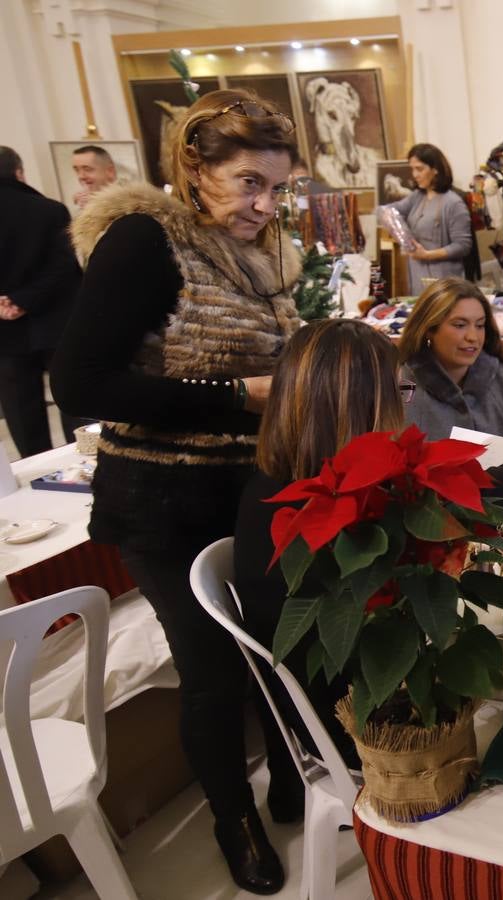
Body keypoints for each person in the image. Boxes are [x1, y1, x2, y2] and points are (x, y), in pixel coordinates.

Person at [51, 89, 304, 895]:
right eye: (249, 185)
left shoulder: (260, 254)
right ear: (195, 171)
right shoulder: (144, 241)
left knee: (271, 651)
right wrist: (237, 395)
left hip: (246, 490)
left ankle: (292, 779)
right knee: (209, 670)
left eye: (277, 188)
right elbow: (81, 381)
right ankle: (236, 822)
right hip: (161, 502)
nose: (265, 205)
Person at [233, 319, 503, 758]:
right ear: (368, 404)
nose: (404, 409)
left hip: (315, 722)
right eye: (399, 393)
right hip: (384, 736)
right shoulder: (381, 498)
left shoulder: (266, 489)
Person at [399, 277, 503, 456]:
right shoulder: (400, 384)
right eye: (460, 325)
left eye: (480, 325)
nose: (473, 336)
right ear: (429, 329)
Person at [0, 147, 82, 457]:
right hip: (53, 321)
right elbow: (63, 267)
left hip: (4, 329)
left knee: (20, 408)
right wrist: (24, 300)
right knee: (69, 396)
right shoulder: (49, 210)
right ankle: (81, 461)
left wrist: (6, 304)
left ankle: (36, 467)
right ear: (19, 172)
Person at [379, 143, 474, 290]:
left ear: (435, 169)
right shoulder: (417, 197)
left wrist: (428, 255)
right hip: (418, 278)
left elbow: (463, 246)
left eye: (420, 169)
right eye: (412, 169)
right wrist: (402, 235)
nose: (415, 175)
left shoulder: (453, 203)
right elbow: (387, 211)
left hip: (444, 282)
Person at [71, 144, 119, 209]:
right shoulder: (82, 202)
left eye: (87, 169)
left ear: (110, 171)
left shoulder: (129, 205)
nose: (81, 176)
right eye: (77, 170)